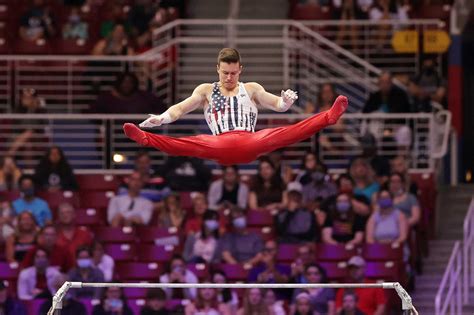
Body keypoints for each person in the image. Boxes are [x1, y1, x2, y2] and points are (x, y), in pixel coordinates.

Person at [123, 48, 348, 165]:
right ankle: (145, 138)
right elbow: (180, 109)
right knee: (187, 144)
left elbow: (278, 105)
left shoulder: (251, 88)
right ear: (217, 69)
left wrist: (286, 102)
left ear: (241, 69)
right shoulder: (205, 90)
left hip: (250, 142)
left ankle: (328, 117)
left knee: (285, 133)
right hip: (218, 144)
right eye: (225, 73)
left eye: (233, 72)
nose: (229, 77)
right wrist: (162, 118)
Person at [92, 72, 166, 114]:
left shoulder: (145, 96)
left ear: (135, 84)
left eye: (130, 82)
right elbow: (94, 114)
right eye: (124, 82)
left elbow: (161, 109)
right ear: (118, 83)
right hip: (113, 133)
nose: (127, 85)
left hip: (142, 133)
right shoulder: (106, 98)